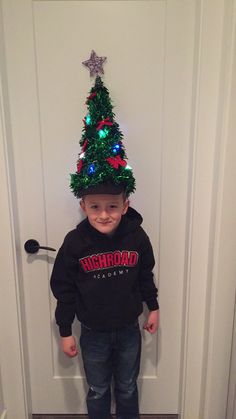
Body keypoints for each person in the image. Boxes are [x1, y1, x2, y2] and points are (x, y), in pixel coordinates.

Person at [50, 66, 159, 419]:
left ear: (125, 204)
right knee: (97, 389)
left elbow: (146, 274)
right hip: (93, 333)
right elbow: (64, 288)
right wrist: (65, 331)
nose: (104, 214)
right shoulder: (75, 243)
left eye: (112, 206)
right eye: (95, 207)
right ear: (83, 206)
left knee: (127, 387)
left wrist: (152, 306)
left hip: (128, 329)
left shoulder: (136, 236)